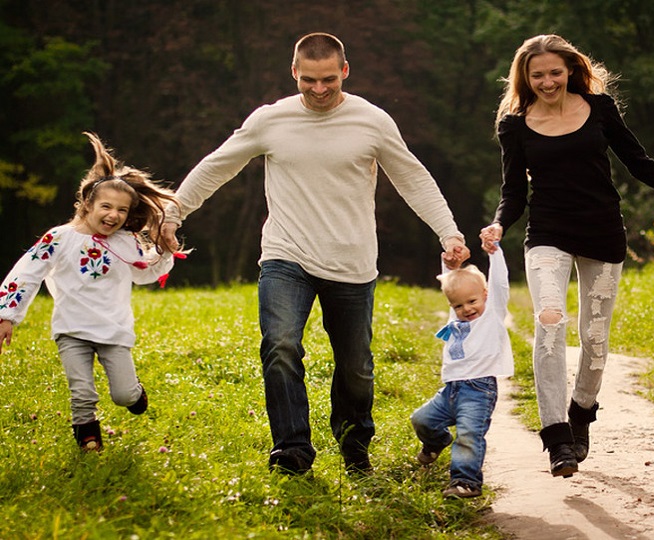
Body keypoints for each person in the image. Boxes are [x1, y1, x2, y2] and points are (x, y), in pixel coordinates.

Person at [159, 32, 469, 476]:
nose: (319, 89)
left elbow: (412, 178)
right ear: (294, 72)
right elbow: (217, 165)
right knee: (281, 345)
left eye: (328, 80)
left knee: (356, 367)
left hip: (352, 261)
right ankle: (292, 450)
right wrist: (174, 212)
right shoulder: (271, 120)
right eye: (309, 80)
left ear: (345, 71)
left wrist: (448, 233)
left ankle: (354, 445)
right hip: (286, 255)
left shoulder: (372, 121)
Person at [479, 34, 654, 478]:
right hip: (548, 233)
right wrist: (500, 223)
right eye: (537, 75)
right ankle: (557, 437)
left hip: (602, 231)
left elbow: (641, 163)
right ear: (525, 78)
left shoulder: (599, 108)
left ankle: (581, 411)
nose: (547, 82)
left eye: (555, 72)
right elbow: (514, 191)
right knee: (549, 321)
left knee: (595, 336)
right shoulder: (514, 125)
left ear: (570, 70)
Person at [0, 132, 183, 451]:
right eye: (106, 206)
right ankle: (88, 437)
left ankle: (134, 392)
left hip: (113, 330)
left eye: (122, 211)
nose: (114, 215)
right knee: (81, 391)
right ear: (87, 204)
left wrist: (164, 251)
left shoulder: (125, 243)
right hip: (71, 330)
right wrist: (7, 315)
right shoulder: (59, 238)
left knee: (123, 395)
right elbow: (27, 272)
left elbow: (145, 273)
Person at [410, 243, 513, 499]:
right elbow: (451, 286)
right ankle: (437, 442)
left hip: (479, 390)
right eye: (458, 306)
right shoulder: (457, 318)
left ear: (485, 295)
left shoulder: (491, 314)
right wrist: (450, 265)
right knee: (421, 420)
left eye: (472, 301)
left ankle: (466, 482)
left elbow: (500, 284)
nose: (466, 309)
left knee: (468, 436)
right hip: (451, 389)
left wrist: (495, 253)